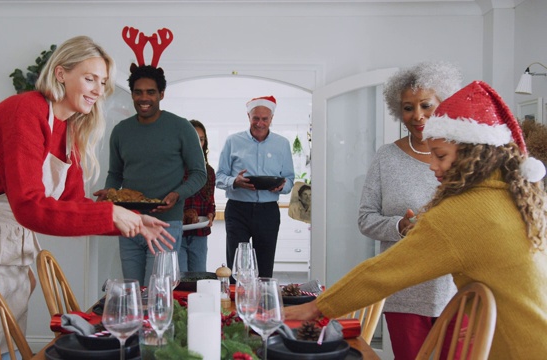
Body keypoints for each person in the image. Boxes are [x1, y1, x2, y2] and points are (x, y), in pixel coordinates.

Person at [0, 36, 175, 360]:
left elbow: (72, 202)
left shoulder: (69, 131)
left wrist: (134, 220)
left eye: (102, 82)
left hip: (6, 249)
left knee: (4, 351)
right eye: (89, 78)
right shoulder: (26, 111)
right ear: (60, 74)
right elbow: (28, 206)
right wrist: (111, 214)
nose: (98, 89)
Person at [285, 80, 547, 359]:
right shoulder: (510, 194)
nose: (432, 165)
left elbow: (381, 273)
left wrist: (315, 307)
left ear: (474, 154)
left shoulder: (463, 211)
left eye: (441, 156)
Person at [357, 61, 462, 358]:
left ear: (443, 104)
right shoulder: (386, 158)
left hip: (456, 288)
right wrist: (400, 227)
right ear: (397, 110)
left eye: (426, 105)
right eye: (407, 107)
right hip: (404, 289)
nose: (417, 116)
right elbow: (365, 219)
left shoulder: (463, 155)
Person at [94, 64, 206, 286]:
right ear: (133, 94)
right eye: (138, 92)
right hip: (129, 222)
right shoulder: (121, 131)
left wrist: (177, 194)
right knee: (132, 291)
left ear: (161, 94)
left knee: (158, 293)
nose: (144, 98)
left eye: (150, 92)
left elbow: (199, 173)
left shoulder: (181, 128)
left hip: (165, 225)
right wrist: (111, 193)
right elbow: (115, 174)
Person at [216, 95, 295, 278]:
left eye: (264, 119)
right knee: (236, 267)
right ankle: (235, 304)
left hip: (268, 211)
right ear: (248, 117)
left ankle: (263, 306)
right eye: (256, 118)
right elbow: (219, 177)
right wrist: (234, 181)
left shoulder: (282, 144)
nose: (260, 123)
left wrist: (280, 187)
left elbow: (289, 179)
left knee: (264, 268)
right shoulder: (232, 141)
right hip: (238, 210)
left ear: (271, 119)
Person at [179, 120, 216, 272]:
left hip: (200, 235)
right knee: (178, 280)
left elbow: (210, 203)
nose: (197, 143)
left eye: (200, 139)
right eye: (193, 138)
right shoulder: (173, 169)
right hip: (177, 233)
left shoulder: (209, 172)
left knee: (198, 279)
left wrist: (210, 214)